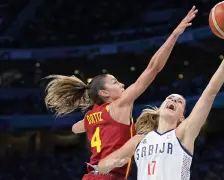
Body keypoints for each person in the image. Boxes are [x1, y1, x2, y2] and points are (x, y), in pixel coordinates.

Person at [43, 6, 198, 180]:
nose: (122, 84)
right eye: (115, 82)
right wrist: (175, 34)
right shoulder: (120, 105)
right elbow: (153, 68)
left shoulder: (92, 117)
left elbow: (74, 128)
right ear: (104, 92)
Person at [96, 23, 224, 180]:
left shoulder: (183, 132)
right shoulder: (139, 140)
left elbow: (210, 92)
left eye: (179, 101)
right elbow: (103, 165)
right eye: (170, 98)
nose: (173, 99)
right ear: (160, 109)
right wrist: (115, 160)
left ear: (182, 117)